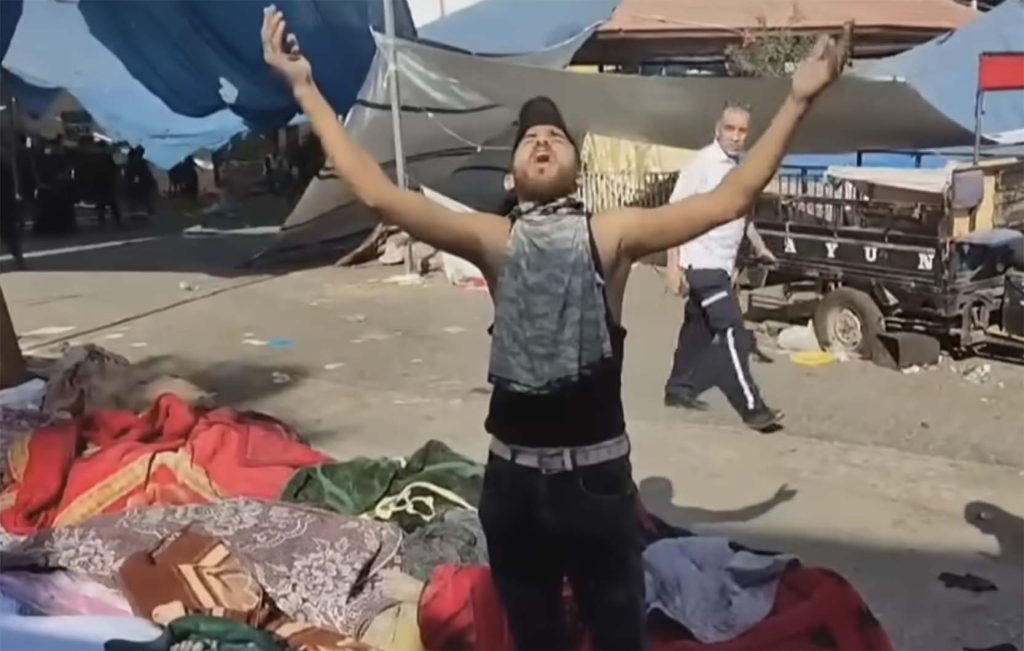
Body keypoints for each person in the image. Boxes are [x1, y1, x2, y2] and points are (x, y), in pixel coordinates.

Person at [260, 7, 848, 649]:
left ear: (577, 167)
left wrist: (798, 100)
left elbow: (729, 200)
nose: (543, 143)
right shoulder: (494, 239)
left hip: (597, 486)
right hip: (513, 489)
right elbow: (378, 194)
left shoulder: (612, 235)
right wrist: (304, 87)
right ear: (512, 174)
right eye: (530, 139)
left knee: (618, 639)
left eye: (556, 138)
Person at [663, 103, 783, 431]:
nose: (736, 136)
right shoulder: (702, 163)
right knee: (732, 329)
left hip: (721, 266)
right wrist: (673, 265)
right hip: (702, 266)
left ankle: (677, 388)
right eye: (730, 129)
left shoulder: (737, 168)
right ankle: (753, 408)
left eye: (742, 131)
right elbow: (674, 213)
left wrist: (760, 247)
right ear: (718, 128)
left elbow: (741, 216)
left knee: (697, 329)